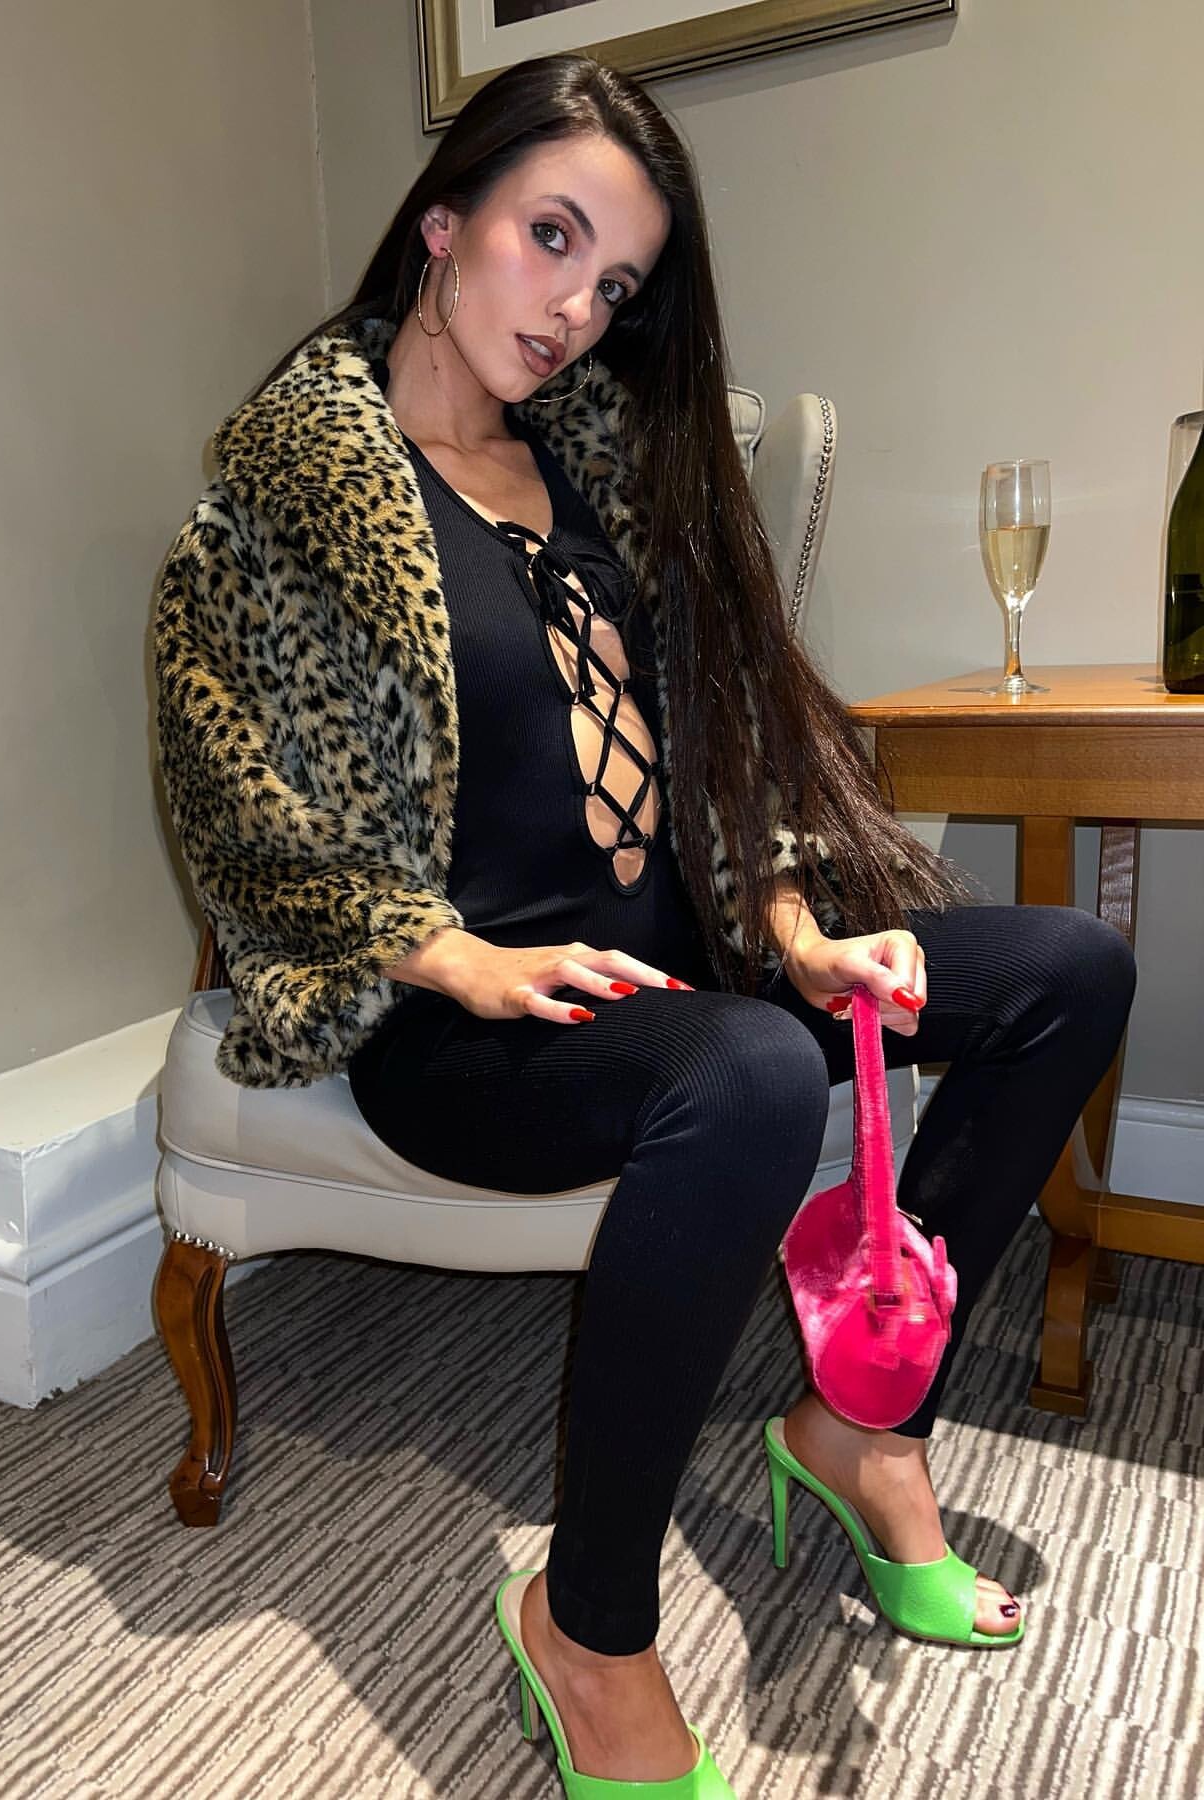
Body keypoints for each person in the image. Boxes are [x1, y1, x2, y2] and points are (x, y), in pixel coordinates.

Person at [151, 53, 1137, 1797]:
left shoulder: (604, 469)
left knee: (1066, 969)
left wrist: (793, 925)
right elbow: (237, 807)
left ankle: (861, 1425)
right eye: (551, 238)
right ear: (443, 222)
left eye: (615, 283)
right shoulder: (282, 508)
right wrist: (454, 955)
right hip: (462, 1028)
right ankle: (589, 1630)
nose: (576, 309)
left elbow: (722, 748)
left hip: (687, 968)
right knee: (751, 1075)